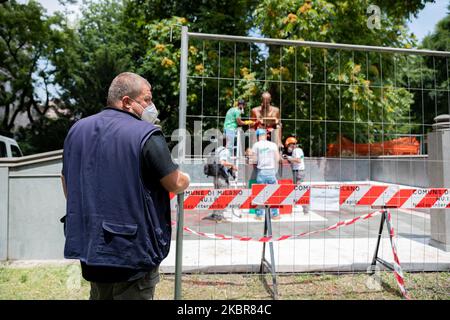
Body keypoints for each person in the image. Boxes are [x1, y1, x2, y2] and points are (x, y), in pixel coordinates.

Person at [60, 72, 190, 300]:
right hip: (132, 254)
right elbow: (174, 182)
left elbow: (66, 180)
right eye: (147, 100)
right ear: (127, 102)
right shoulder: (146, 134)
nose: (152, 106)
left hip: (91, 249)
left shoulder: (77, 131)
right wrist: (186, 179)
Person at [248, 128, 280, 220]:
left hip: (261, 172)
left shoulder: (256, 145)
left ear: (258, 136)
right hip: (271, 171)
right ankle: (275, 214)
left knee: (260, 194)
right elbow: (277, 158)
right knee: (273, 193)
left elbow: (254, 160)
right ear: (266, 135)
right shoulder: (273, 145)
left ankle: (259, 215)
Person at [203, 139, 237, 223]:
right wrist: (232, 165)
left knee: (216, 195)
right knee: (223, 195)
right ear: (226, 142)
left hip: (215, 176)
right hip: (222, 176)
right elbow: (222, 162)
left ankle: (215, 213)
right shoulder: (224, 151)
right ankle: (220, 216)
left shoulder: (217, 150)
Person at [283, 137, 309, 214]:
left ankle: (305, 209)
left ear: (291, 144)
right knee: (296, 189)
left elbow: (298, 160)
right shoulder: (298, 150)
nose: (288, 148)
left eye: (288, 146)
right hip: (298, 171)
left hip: (298, 172)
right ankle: (296, 204)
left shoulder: (296, 150)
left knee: (298, 189)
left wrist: (288, 158)